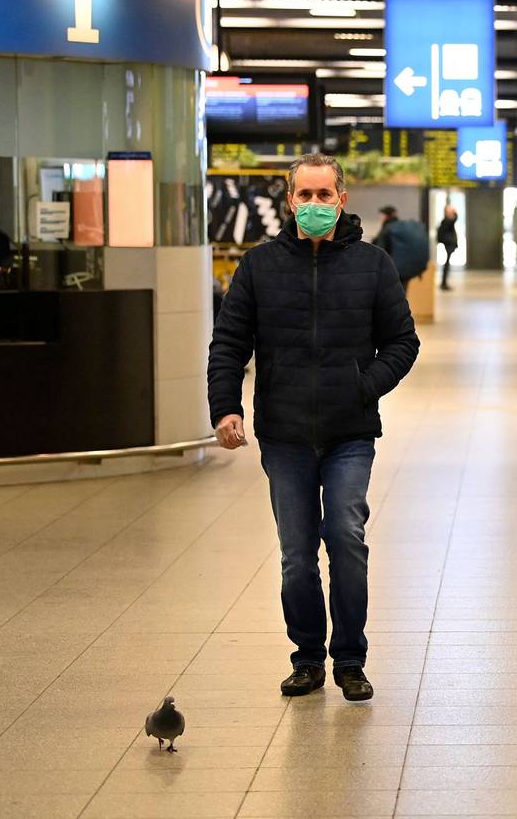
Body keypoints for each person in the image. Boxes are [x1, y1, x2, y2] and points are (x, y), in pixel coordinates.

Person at [207, 153, 420, 702]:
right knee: (297, 554)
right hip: (285, 433)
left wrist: (363, 385)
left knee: (346, 539)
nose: (316, 205)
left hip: (350, 430)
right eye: (306, 196)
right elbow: (229, 343)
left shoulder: (372, 265)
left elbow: (403, 342)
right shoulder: (260, 266)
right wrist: (225, 407)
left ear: (342, 200)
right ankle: (307, 658)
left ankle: (350, 658)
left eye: (326, 195)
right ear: (290, 201)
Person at [375, 206, 431, 292]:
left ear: (386, 216)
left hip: (392, 270)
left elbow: (380, 250)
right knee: (401, 294)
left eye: (382, 215)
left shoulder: (387, 228)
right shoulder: (399, 227)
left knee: (392, 297)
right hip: (404, 269)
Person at [436, 204, 458, 291]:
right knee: (446, 265)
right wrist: (455, 213)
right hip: (448, 244)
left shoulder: (446, 221)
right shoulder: (446, 221)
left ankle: (444, 283)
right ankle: (443, 283)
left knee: (447, 265)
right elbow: (455, 219)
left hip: (449, 244)